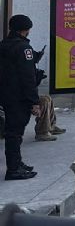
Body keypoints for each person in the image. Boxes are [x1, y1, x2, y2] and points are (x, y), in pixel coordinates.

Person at [0, 15, 42, 180]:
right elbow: (27, 77)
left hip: (6, 95)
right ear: (26, 29)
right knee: (15, 133)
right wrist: (34, 102)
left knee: (12, 131)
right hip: (19, 97)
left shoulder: (4, 45)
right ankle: (13, 168)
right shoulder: (24, 48)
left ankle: (17, 162)